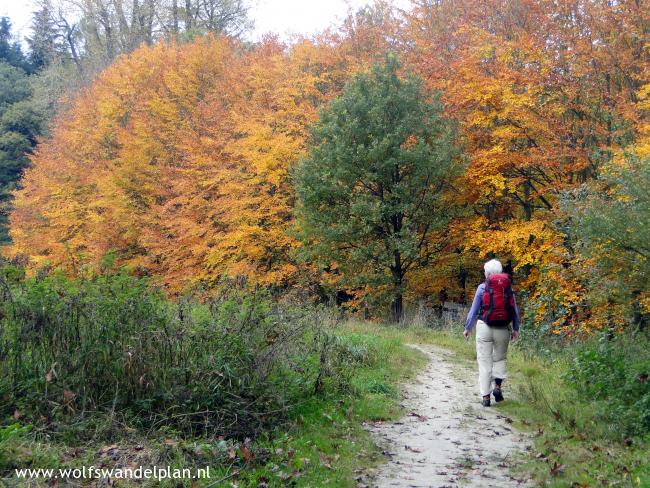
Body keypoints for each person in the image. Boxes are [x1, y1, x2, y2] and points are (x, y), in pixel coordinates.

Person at [463, 259, 520, 407]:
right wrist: (516, 328)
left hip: (484, 327)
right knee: (500, 359)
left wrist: (468, 328)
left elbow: (474, 311)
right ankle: (497, 386)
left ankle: (486, 397)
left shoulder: (482, 287)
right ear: (500, 272)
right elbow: (514, 311)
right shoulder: (508, 289)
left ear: (487, 273)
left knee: (484, 362)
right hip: (503, 329)